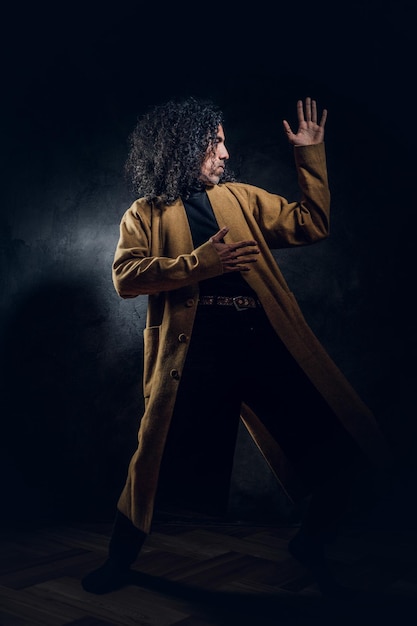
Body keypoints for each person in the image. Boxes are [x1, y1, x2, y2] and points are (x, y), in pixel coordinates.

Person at [81, 96, 390, 596]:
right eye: (214, 142)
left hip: (263, 341)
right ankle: (120, 561)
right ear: (183, 148)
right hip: (195, 354)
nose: (225, 152)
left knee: (337, 441)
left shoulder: (241, 197)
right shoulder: (144, 213)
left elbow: (312, 222)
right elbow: (124, 276)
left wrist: (310, 155)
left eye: (223, 142)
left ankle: (311, 540)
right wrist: (197, 264)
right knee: (151, 459)